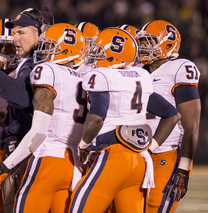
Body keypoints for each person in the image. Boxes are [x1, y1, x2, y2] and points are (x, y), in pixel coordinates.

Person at [68, 27, 181, 213]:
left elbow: (96, 117)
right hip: (140, 160)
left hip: (112, 156)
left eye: (99, 50)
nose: (94, 54)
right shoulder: (140, 76)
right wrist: (151, 147)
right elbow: (171, 114)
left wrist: (83, 145)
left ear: (114, 54)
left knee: (79, 208)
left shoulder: (101, 75)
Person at [0, 22, 87, 213]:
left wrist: (6, 166)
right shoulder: (83, 76)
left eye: (49, 46)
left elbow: (39, 133)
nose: (44, 50)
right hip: (73, 163)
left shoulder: (47, 71)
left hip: (48, 161)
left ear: (64, 49)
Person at [0, 8, 50, 212]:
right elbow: (31, 102)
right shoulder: (37, 62)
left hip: (25, 152)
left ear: (42, 33)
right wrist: (12, 113)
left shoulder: (36, 63)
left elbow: (22, 97)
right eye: (14, 32)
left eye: (21, 32)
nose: (15, 39)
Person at [135, 20, 201, 213]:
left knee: (156, 207)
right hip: (138, 153)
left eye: (149, 41)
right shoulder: (136, 70)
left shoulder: (180, 68)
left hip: (167, 153)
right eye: (142, 42)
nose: (143, 46)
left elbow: (192, 124)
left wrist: (183, 167)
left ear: (167, 44)